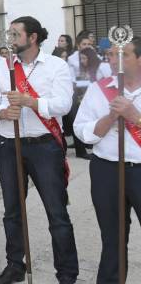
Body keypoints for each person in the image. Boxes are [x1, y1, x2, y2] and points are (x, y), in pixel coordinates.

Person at [0, 17, 78, 284]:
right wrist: (1, 111)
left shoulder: (56, 66)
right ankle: (15, 264)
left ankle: (67, 273)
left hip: (44, 145)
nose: (10, 39)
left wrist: (30, 102)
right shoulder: (0, 66)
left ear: (32, 37)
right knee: (12, 210)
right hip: (8, 144)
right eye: (9, 34)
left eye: (15, 34)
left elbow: (63, 104)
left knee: (56, 211)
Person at [73, 36, 141, 283]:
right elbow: (81, 130)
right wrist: (109, 118)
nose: (111, 60)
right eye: (110, 55)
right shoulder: (98, 88)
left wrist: (135, 116)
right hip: (106, 170)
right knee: (112, 237)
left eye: (120, 55)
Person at [70, 47, 104, 159]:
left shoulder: (100, 69)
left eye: (84, 58)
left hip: (96, 103)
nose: (82, 61)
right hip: (80, 101)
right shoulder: (82, 69)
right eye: (81, 59)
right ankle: (80, 150)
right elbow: (79, 86)